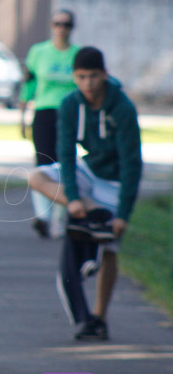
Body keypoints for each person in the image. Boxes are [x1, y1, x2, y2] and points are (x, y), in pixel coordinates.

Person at [28, 47, 142, 342]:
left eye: (93, 77)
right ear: (74, 77)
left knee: (109, 248)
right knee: (36, 176)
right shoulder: (70, 104)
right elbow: (65, 153)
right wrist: (75, 198)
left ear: (104, 75)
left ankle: (99, 317)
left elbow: (132, 164)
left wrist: (124, 215)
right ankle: (89, 209)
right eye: (81, 77)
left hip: (115, 181)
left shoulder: (122, 107)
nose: (88, 84)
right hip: (88, 172)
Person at [21, 9, 79, 238]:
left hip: (69, 114)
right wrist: (22, 113)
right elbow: (29, 84)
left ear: (71, 28)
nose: (61, 28)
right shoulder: (39, 52)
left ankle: (59, 217)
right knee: (43, 163)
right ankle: (42, 217)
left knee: (65, 162)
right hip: (44, 112)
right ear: (51, 26)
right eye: (57, 23)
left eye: (66, 24)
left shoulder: (78, 54)